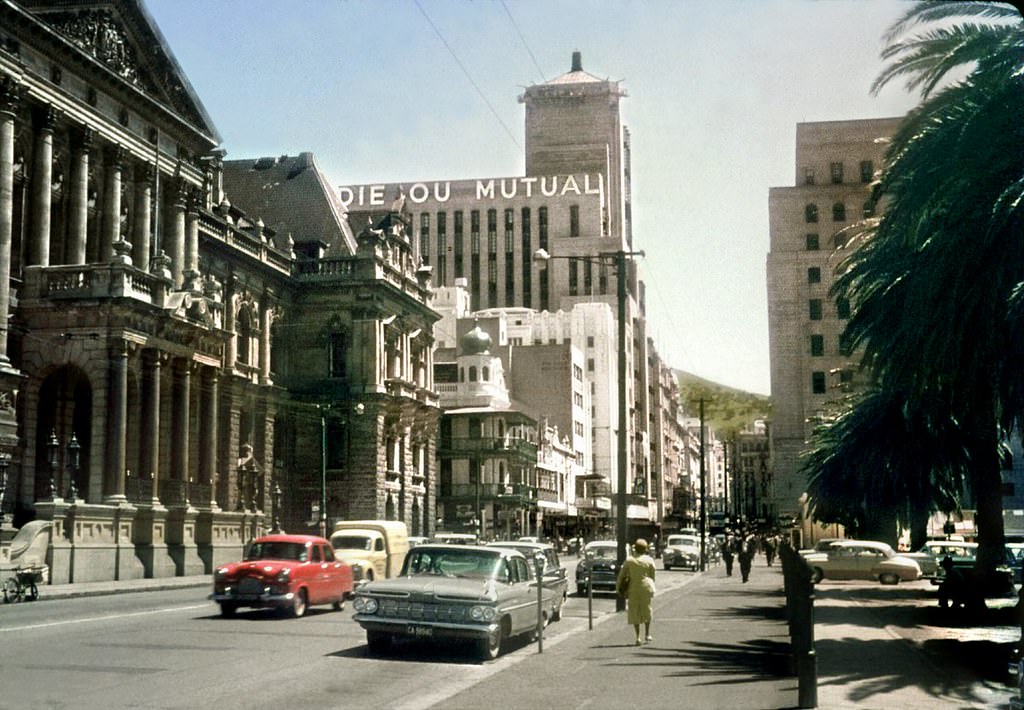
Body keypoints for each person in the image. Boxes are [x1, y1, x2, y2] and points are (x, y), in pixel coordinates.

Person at [616, 538, 657, 645]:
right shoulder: (649, 560)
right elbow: (653, 576)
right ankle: (647, 634)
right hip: (646, 588)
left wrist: (618, 588)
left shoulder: (629, 560)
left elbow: (621, 575)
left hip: (633, 588)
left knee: (634, 611)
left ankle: (638, 637)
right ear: (645, 549)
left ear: (635, 548)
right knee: (647, 609)